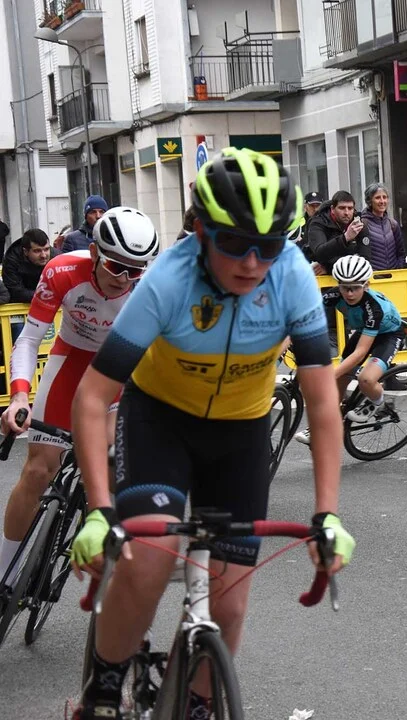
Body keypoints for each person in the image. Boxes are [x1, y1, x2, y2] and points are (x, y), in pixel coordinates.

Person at [67, 148, 354, 719]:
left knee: (231, 604)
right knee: (149, 561)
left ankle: (197, 702)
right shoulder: (166, 282)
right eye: (235, 244)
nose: (251, 262)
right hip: (160, 421)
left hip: (240, 432)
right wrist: (99, 511)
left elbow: (323, 403)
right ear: (201, 231)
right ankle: (103, 688)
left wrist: (328, 515)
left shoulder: (293, 277)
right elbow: (93, 398)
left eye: (268, 246)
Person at [0, 208, 159, 589]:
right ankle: (4, 572)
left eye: (135, 270)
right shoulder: (62, 271)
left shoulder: (152, 289)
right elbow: (29, 339)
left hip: (122, 372)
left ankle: (97, 535)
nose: (124, 279)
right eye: (116, 266)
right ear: (94, 252)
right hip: (70, 361)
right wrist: (19, 397)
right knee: (38, 471)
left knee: (113, 463)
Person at [294, 255, 407, 446]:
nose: (349, 293)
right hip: (364, 331)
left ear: (366, 285)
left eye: (355, 287)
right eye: (344, 287)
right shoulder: (335, 294)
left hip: (388, 336)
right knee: (338, 380)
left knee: (366, 379)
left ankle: (378, 402)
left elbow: (360, 353)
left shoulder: (373, 308)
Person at [305, 190, 368, 273]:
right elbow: (319, 254)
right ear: (332, 209)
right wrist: (346, 237)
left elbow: (365, 259)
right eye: (342, 208)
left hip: (351, 275)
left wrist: (328, 267)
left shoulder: (358, 223)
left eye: (350, 208)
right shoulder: (318, 223)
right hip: (322, 279)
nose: (346, 213)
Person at [360, 182, 405, 270]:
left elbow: (401, 253)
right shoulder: (362, 224)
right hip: (372, 276)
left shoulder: (393, 224)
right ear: (369, 201)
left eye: (384, 197)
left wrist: (399, 268)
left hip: (394, 276)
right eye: (377, 198)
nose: (382, 201)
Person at [2, 228, 54, 303]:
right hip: (22, 303)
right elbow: (15, 291)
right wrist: (46, 296)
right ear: (25, 251)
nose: (43, 255)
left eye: (46, 249)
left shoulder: (57, 258)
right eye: (37, 251)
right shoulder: (12, 261)